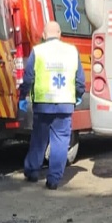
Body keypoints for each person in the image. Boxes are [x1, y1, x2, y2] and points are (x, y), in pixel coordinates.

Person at [19, 21, 85, 190]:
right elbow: (79, 80)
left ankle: (32, 171)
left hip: (43, 105)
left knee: (39, 139)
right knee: (61, 141)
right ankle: (54, 179)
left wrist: (22, 96)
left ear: (44, 34)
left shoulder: (38, 51)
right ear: (60, 34)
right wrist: (78, 95)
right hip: (64, 105)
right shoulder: (72, 51)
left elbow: (28, 78)